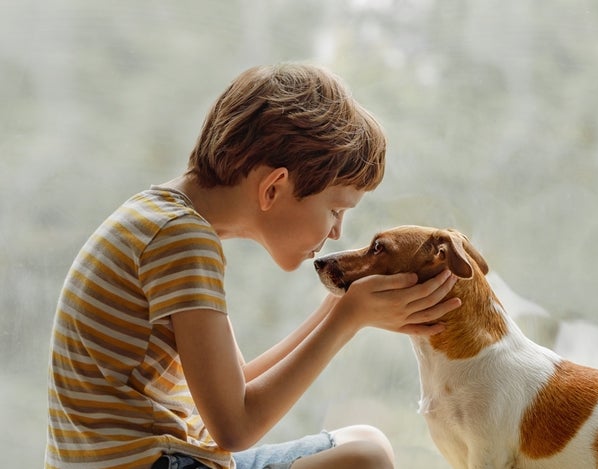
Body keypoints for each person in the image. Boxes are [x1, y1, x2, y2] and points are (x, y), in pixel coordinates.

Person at [45, 63, 460, 469]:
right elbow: (234, 428)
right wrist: (346, 322)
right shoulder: (183, 241)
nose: (336, 232)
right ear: (273, 188)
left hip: (162, 456)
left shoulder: (161, 219)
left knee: (365, 444)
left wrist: (337, 308)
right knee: (365, 458)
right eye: (335, 210)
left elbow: (235, 386)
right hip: (157, 462)